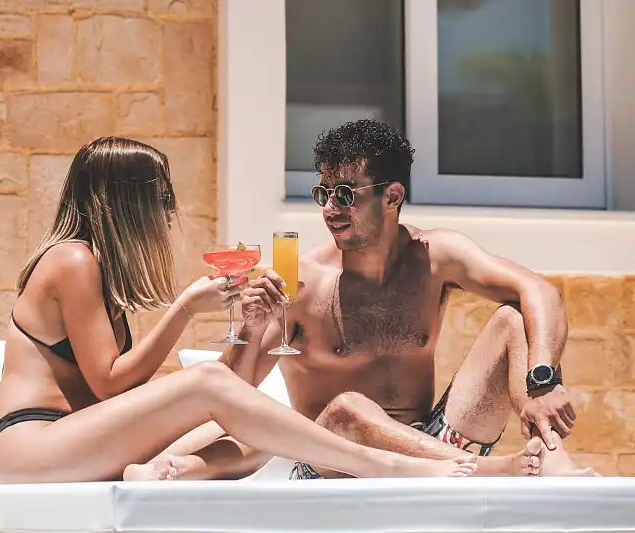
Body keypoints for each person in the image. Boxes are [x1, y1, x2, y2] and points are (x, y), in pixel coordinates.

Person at [0, 135, 478, 483]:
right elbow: (110, 385)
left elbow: (197, 391)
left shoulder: (94, 269)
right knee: (208, 384)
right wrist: (185, 309)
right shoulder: (72, 260)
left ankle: (165, 472)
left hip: (76, 442)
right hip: (34, 447)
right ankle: (384, 464)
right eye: (161, 197)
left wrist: (252, 328)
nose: (169, 212)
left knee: (255, 427)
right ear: (125, 202)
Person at [142, 119, 597, 480]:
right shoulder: (301, 281)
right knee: (348, 406)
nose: (330, 209)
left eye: (345, 194)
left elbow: (539, 291)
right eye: (323, 194)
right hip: (337, 457)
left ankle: (553, 461)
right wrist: (253, 326)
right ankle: (484, 471)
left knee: (513, 320)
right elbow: (229, 393)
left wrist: (542, 380)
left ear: (392, 196)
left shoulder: (435, 256)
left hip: (435, 441)